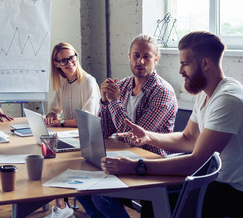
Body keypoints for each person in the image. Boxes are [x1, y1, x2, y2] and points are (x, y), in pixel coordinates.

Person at [101, 31, 243, 218]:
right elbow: (188, 138)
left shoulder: (227, 99)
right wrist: (148, 136)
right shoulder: (205, 92)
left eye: (185, 64)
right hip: (209, 179)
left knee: (156, 200)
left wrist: (136, 166)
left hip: (231, 190)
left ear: (206, 63)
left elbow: (196, 161)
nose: (180, 71)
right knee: (152, 193)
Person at [77, 34, 178, 218]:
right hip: (123, 155)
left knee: (102, 196)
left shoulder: (163, 92)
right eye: (136, 55)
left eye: (146, 56)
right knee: (79, 187)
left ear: (156, 58)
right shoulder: (122, 85)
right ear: (129, 57)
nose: (140, 61)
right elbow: (106, 131)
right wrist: (104, 102)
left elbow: (136, 138)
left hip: (150, 162)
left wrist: (114, 102)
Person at [43, 42, 101, 218]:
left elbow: (85, 121)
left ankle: (62, 207)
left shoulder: (89, 82)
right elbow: (54, 109)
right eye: (64, 61)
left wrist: (59, 123)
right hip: (71, 137)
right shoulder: (63, 83)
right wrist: (52, 115)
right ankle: (61, 205)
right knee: (46, 154)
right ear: (56, 64)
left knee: (53, 158)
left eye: (72, 57)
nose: (70, 63)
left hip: (88, 139)